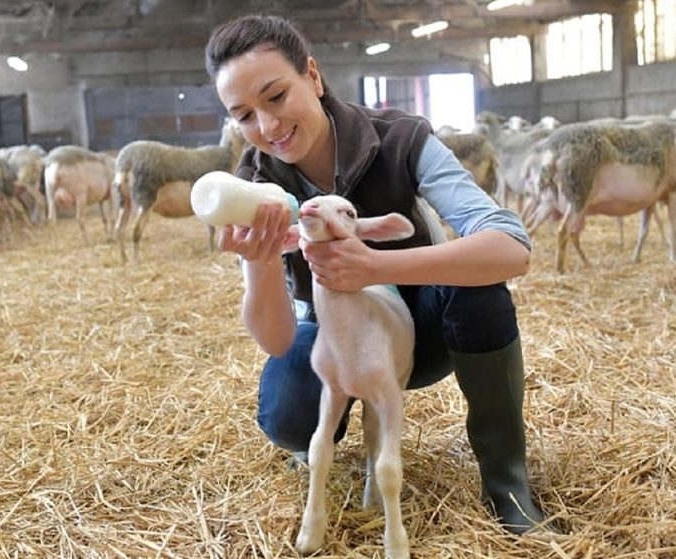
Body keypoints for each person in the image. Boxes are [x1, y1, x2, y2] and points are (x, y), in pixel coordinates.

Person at [204, 14, 549, 535]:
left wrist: (376, 266)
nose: (268, 126)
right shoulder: (255, 185)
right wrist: (259, 263)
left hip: (421, 330)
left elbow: (510, 248)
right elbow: (275, 339)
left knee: (478, 286)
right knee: (286, 414)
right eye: (245, 115)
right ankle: (323, 440)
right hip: (334, 338)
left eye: (276, 97)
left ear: (313, 78)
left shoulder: (402, 139)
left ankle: (506, 482)